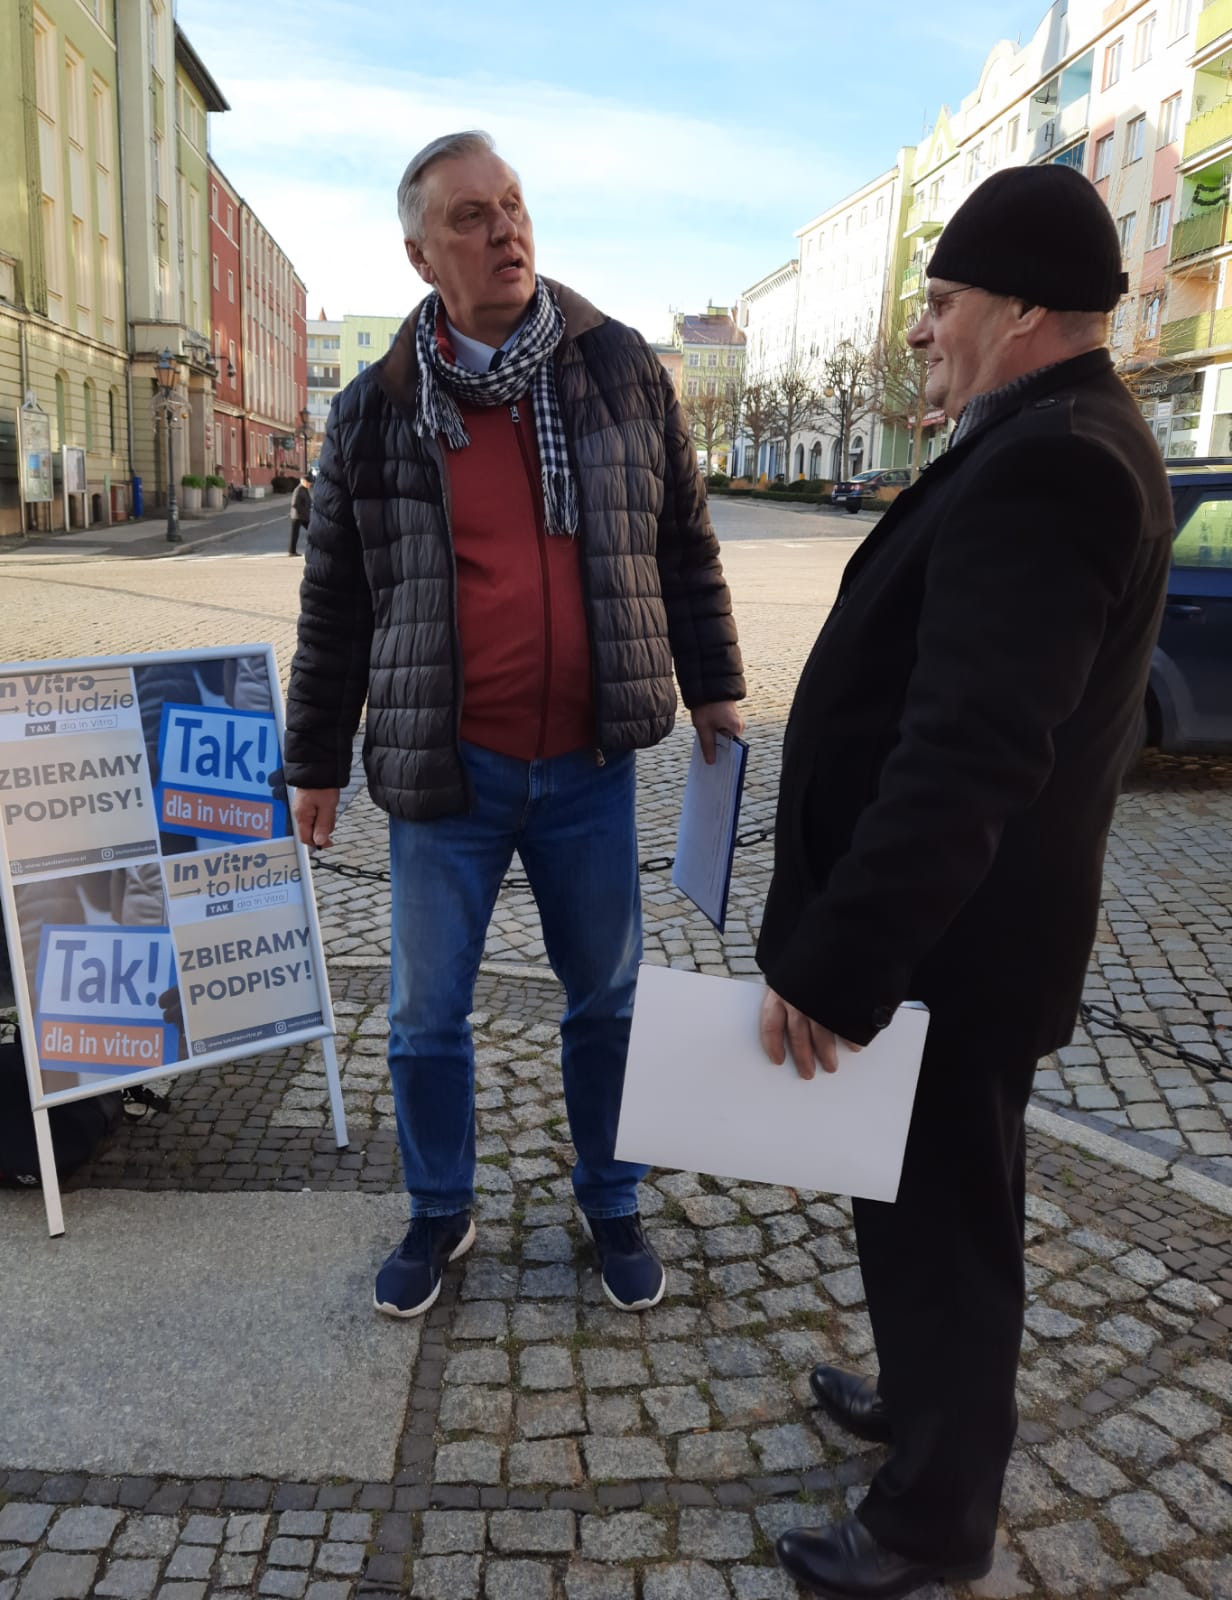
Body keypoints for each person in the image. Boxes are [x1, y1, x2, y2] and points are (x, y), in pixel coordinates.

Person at [755, 163, 1172, 1599]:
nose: (921, 329)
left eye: (942, 302)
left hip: (952, 951)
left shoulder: (1058, 461)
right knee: (918, 1205)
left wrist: (841, 961)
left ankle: (934, 1519)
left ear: (1026, 307)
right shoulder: (1051, 431)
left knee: (948, 1225)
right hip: (959, 940)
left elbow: (969, 754)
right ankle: (924, 1400)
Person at [284, 131, 744, 1319]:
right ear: (420, 254)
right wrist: (313, 760)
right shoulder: (376, 412)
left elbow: (684, 542)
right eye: (472, 216)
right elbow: (335, 602)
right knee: (424, 1013)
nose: (506, 231)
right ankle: (441, 1209)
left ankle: (612, 1197)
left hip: (588, 766)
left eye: (515, 204)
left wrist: (715, 684)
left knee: (609, 998)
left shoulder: (618, 370)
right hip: (450, 771)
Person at [288, 473, 312, 557]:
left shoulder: (304, 489)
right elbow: (294, 503)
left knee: (313, 530)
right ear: (303, 481)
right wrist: (302, 511)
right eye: (308, 482)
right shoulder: (298, 490)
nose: (310, 484)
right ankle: (292, 552)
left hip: (304, 516)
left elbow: (308, 502)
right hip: (297, 516)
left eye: (310, 482)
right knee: (294, 534)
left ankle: (315, 547)